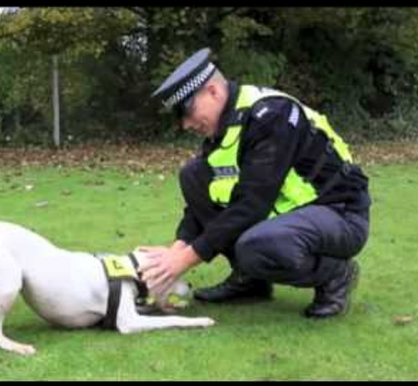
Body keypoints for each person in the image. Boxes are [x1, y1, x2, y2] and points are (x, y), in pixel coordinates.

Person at [139, 47, 371, 318]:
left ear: (213, 91)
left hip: (340, 214)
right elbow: (207, 199)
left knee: (255, 245)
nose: (186, 124)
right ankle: (250, 280)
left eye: (187, 111)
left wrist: (185, 260)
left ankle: (335, 274)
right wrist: (177, 249)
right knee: (194, 175)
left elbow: (252, 205)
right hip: (290, 217)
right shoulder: (225, 128)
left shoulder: (271, 116)